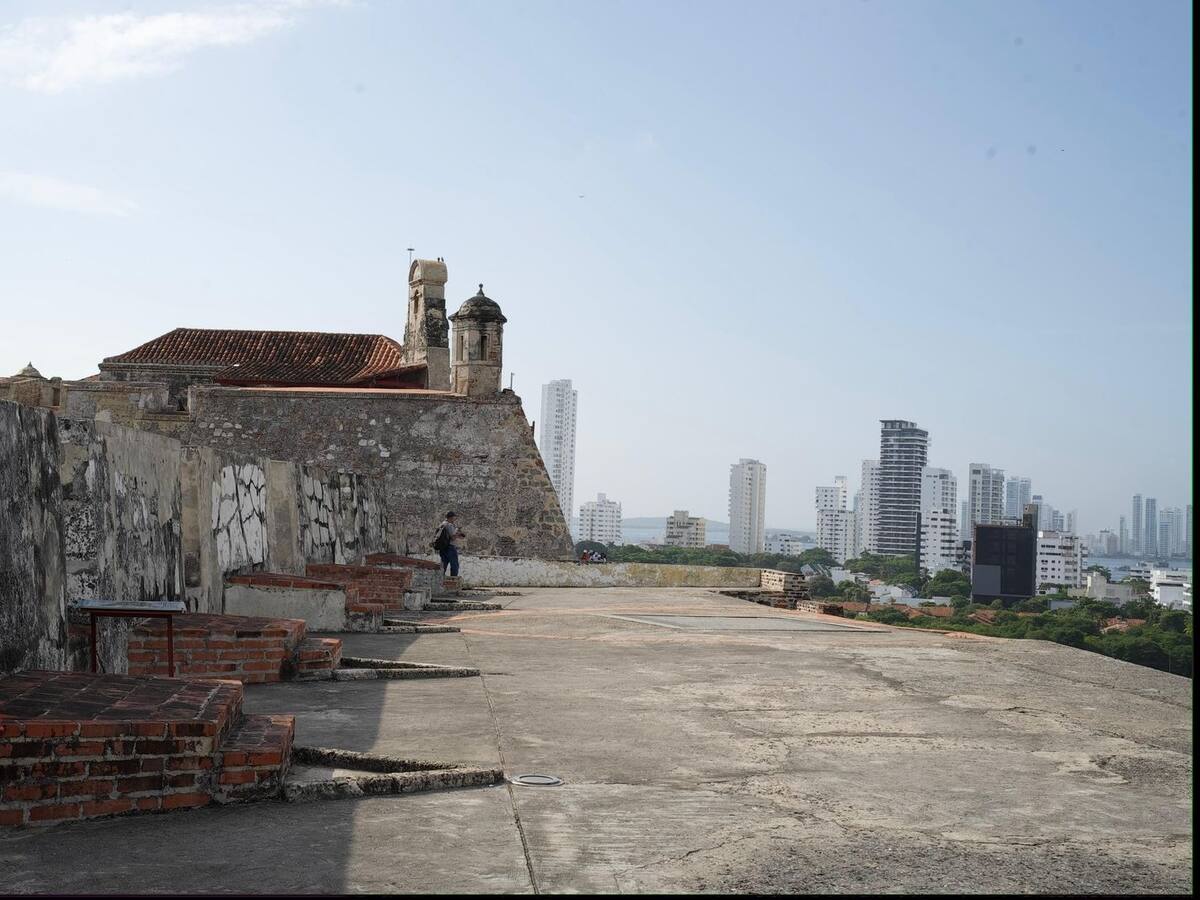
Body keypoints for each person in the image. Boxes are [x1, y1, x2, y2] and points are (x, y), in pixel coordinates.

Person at [432, 512, 463, 577]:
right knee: (454, 565)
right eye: (454, 517)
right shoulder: (449, 525)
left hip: (443, 547)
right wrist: (458, 534)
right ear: (451, 517)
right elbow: (453, 537)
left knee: (443, 565)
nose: (455, 519)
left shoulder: (442, 524)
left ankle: (439, 579)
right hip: (450, 547)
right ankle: (453, 579)